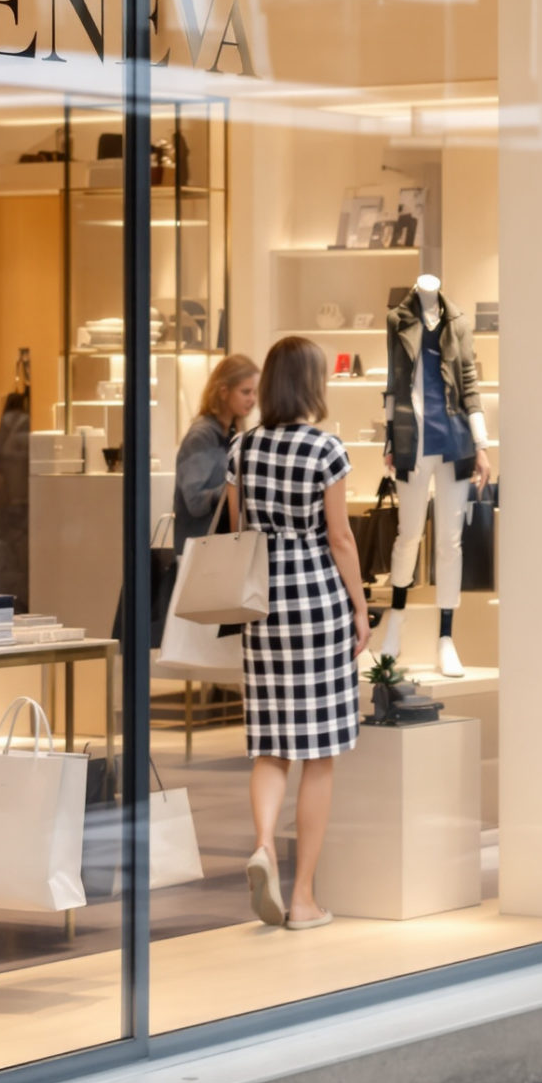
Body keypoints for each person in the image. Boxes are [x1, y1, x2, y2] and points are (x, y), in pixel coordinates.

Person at [224, 337, 371, 932]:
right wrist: (362, 608)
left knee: (271, 743)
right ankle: (304, 896)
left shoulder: (242, 448)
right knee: (319, 752)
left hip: (263, 607)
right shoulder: (326, 450)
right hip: (316, 602)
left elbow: (239, 531)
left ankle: (263, 843)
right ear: (311, 384)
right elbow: (340, 538)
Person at [176, 354, 258, 539]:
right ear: (223, 391)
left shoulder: (230, 432)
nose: (252, 399)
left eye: (255, 392)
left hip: (218, 545)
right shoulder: (202, 436)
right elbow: (195, 502)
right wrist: (234, 487)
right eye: (245, 392)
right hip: (201, 549)